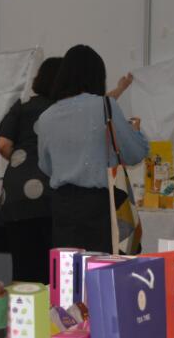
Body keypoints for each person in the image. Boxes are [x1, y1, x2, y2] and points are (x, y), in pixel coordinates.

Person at [35, 45, 146, 254]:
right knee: (101, 269)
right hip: (100, 206)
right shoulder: (105, 106)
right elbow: (135, 153)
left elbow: (45, 165)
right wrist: (135, 131)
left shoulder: (46, 117)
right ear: (98, 76)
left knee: (68, 269)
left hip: (62, 207)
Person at [0, 56, 61, 285]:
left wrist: (21, 158)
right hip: (49, 195)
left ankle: (22, 306)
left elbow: (1, 144)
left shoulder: (22, 105)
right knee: (52, 273)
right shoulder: (63, 110)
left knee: (24, 268)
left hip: (15, 194)